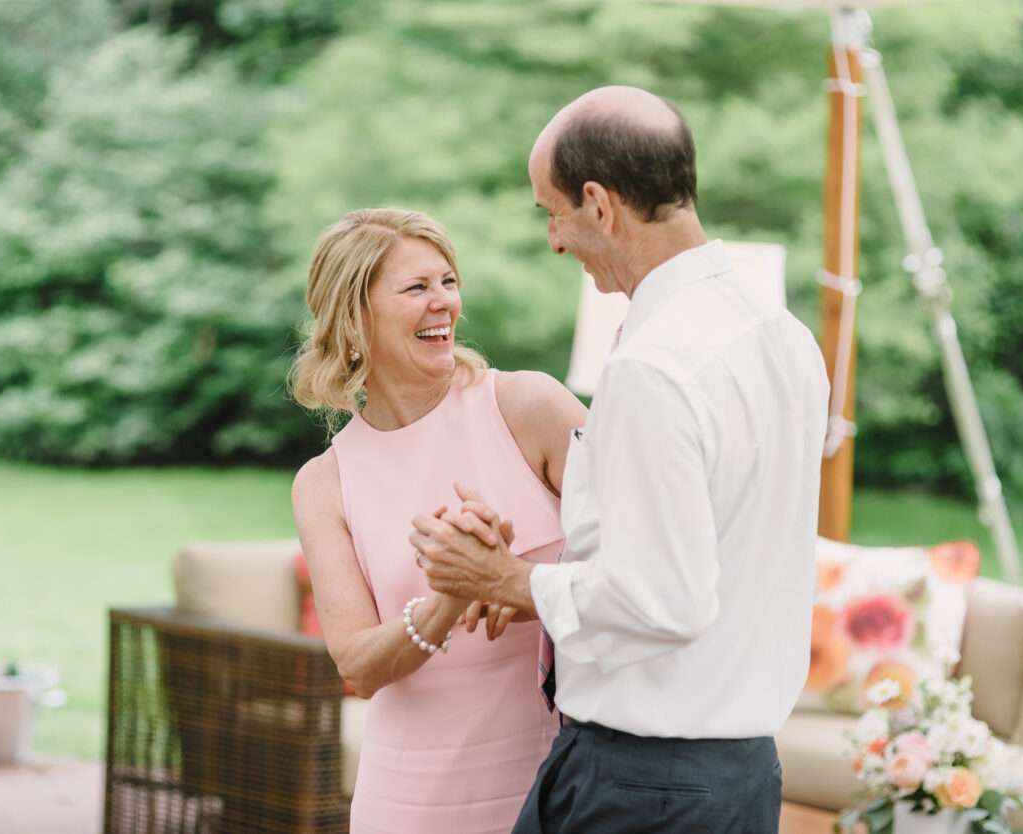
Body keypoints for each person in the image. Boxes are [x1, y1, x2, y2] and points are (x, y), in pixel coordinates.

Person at [411, 86, 831, 833]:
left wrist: (506, 579)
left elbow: (662, 598)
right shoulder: (784, 336)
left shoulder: (655, 365)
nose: (553, 240)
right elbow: (716, 548)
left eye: (552, 211)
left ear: (600, 204)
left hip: (645, 788)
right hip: (739, 779)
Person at [289, 207, 587, 834]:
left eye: (448, 281)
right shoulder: (324, 483)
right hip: (407, 798)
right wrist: (449, 596)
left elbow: (643, 553)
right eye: (416, 288)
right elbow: (358, 665)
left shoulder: (530, 406)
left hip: (552, 778)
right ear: (354, 317)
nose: (444, 303)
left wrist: (511, 578)